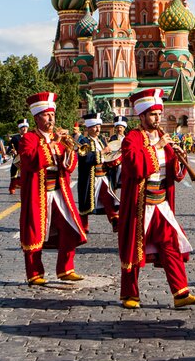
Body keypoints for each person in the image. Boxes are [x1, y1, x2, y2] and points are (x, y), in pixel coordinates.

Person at [117, 88, 195, 309]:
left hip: (161, 202)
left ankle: (180, 292)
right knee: (134, 248)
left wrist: (179, 158)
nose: (157, 118)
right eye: (153, 114)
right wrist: (156, 147)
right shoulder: (132, 138)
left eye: (159, 114)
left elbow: (173, 174)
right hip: (140, 204)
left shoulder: (163, 138)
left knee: (171, 245)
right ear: (142, 116)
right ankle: (130, 294)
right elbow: (134, 166)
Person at [18, 92, 87, 285]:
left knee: (69, 227)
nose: (51, 119)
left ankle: (66, 268)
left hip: (59, 191)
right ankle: (34, 273)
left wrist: (69, 148)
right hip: (37, 192)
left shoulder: (60, 139)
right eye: (46, 115)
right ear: (36, 118)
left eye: (53, 115)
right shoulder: (28, 138)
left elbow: (69, 166)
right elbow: (30, 160)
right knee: (35, 231)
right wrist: (54, 144)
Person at [76, 112, 119, 233]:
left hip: (103, 176)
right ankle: (83, 227)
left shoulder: (101, 141)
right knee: (85, 203)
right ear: (89, 128)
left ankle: (115, 221)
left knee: (108, 198)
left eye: (99, 126)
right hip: (90, 178)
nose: (98, 129)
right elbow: (85, 158)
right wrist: (103, 152)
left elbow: (107, 156)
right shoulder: (84, 141)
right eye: (95, 127)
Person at [7, 119, 29, 194]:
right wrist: (13, 151)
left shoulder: (31, 136)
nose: (24, 129)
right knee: (14, 172)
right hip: (18, 157)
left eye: (26, 127)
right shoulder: (15, 138)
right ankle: (12, 187)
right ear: (20, 129)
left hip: (28, 158)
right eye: (23, 127)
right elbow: (10, 148)